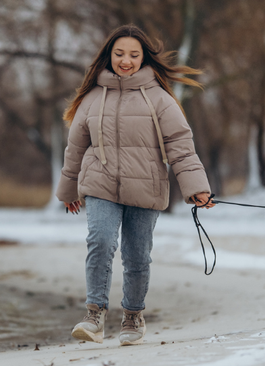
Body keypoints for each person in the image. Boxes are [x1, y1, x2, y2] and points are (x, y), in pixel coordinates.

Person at [56, 24, 215, 346]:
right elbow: (75, 147)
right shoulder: (91, 97)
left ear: (143, 58)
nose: (125, 60)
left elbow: (180, 146)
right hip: (100, 183)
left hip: (146, 186)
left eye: (133, 54)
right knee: (100, 241)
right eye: (119, 54)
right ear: (108, 56)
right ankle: (94, 314)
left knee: (137, 256)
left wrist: (196, 188)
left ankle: (132, 315)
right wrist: (68, 189)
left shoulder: (159, 98)